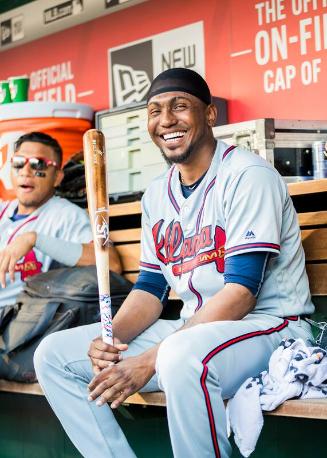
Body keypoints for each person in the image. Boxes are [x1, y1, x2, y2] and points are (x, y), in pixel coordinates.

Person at [34, 69, 314, 458]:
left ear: (210, 115)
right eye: (155, 110)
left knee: (180, 356)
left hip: (270, 327)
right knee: (54, 356)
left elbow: (241, 294)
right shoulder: (157, 194)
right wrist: (111, 338)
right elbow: (150, 290)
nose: (165, 120)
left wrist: (150, 359)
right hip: (195, 328)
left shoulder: (247, 176)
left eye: (179, 106)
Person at [0, 131, 121, 308]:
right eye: (18, 163)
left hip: (18, 319)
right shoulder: (3, 210)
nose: (25, 172)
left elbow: (112, 263)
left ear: (57, 177)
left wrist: (34, 239)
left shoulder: (66, 215)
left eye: (38, 164)